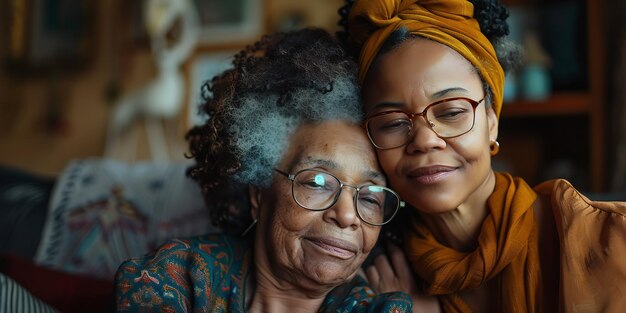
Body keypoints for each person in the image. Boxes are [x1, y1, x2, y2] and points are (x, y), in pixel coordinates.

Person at [338, 0, 626, 312]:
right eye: (393, 123)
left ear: (491, 122)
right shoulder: (372, 277)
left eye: (450, 112)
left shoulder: (608, 242)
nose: (424, 140)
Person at [113, 28, 413, 312]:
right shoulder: (178, 279)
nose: (347, 216)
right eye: (318, 181)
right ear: (258, 193)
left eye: (371, 197)